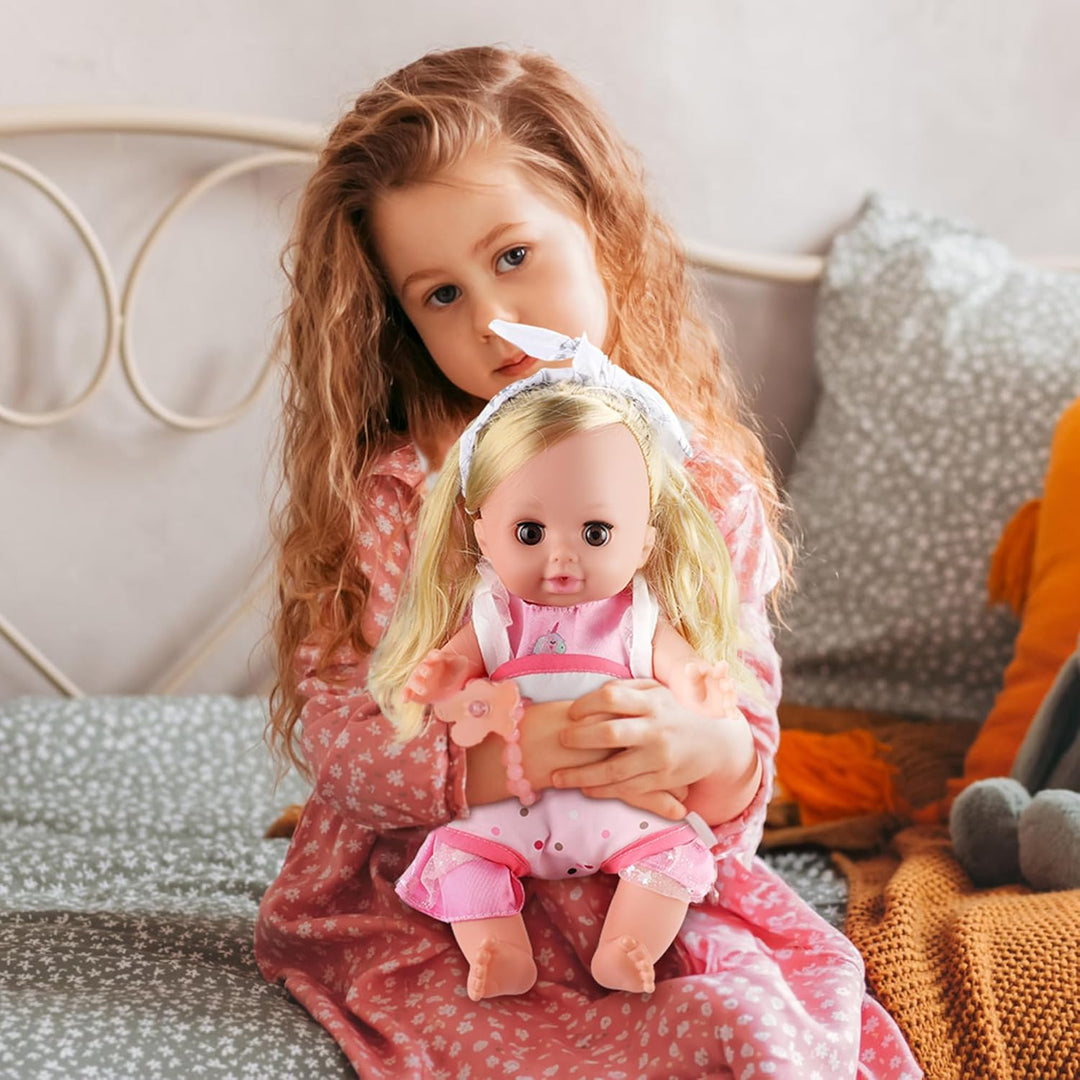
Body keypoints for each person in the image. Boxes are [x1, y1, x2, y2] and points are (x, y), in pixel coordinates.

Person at [255, 45, 922, 1079]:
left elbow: (743, 743)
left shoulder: (698, 490)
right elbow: (347, 742)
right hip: (441, 894)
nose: (488, 319)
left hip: (642, 885)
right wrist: (518, 755)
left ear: (599, 226)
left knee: (754, 1033)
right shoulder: (400, 496)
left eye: (513, 256)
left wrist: (699, 749)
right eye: (439, 294)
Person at [370, 325, 753, 1001]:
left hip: (620, 811)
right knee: (464, 858)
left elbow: (686, 671)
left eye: (597, 532)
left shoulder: (637, 616)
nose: (561, 558)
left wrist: (703, 685)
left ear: (643, 544)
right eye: (529, 532)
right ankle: (499, 951)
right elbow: (454, 663)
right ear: (481, 529)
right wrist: (440, 674)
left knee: (667, 856)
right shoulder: (493, 612)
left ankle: (627, 944)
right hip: (509, 808)